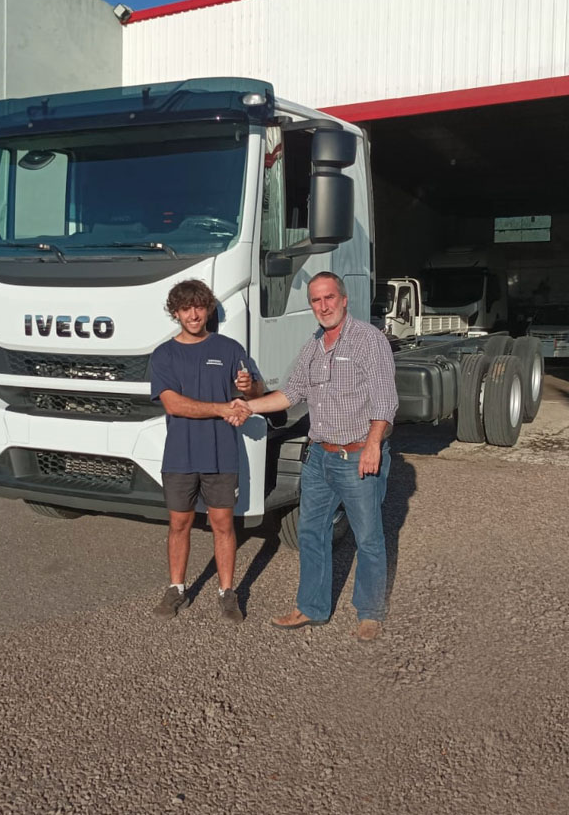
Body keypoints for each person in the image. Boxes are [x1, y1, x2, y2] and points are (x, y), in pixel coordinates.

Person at [240, 271, 398, 641]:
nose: (323, 306)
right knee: (311, 533)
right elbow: (290, 394)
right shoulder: (313, 345)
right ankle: (311, 607)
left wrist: (373, 445)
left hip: (357, 456)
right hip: (319, 458)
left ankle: (370, 613)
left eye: (329, 298)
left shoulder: (368, 340)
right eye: (316, 300)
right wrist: (247, 407)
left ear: (344, 299)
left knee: (368, 538)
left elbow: (385, 400)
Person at [149, 279, 265, 624]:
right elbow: (173, 404)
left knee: (223, 524)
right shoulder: (164, 354)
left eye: (199, 307)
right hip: (179, 455)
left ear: (208, 309)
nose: (194, 315)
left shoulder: (229, 349)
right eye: (186, 308)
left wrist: (249, 387)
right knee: (179, 523)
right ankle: (176, 588)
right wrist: (220, 408)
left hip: (221, 453)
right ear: (175, 313)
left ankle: (227, 592)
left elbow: (256, 392)